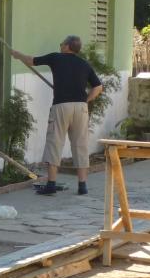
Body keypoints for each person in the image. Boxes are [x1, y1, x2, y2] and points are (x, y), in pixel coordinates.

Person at [12, 35, 102, 196]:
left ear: (67, 46)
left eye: (62, 43)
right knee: (80, 144)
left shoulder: (56, 58)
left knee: (55, 142)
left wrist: (17, 55)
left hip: (61, 106)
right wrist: (86, 100)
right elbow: (98, 87)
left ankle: (51, 184)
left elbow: (32, 61)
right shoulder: (84, 64)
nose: (60, 45)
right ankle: (82, 186)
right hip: (80, 108)